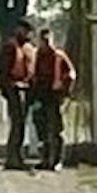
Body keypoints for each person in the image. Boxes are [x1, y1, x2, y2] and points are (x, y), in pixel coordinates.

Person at [28, 28, 77, 171]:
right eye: (43, 40)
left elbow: (71, 74)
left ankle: (56, 161)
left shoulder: (59, 56)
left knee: (55, 130)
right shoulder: (36, 55)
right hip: (40, 96)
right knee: (41, 130)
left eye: (48, 40)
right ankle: (45, 160)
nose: (46, 43)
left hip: (54, 97)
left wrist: (65, 91)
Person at [0, 20, 35, 169]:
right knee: (17, 124)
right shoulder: (10, 47)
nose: (27, 34)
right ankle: (13, 158)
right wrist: (8, 89)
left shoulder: (24, 47)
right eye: (25, 31)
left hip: (22, 89)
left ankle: (16, 156)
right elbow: (4, 70)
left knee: (20, 125)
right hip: (14, 89)